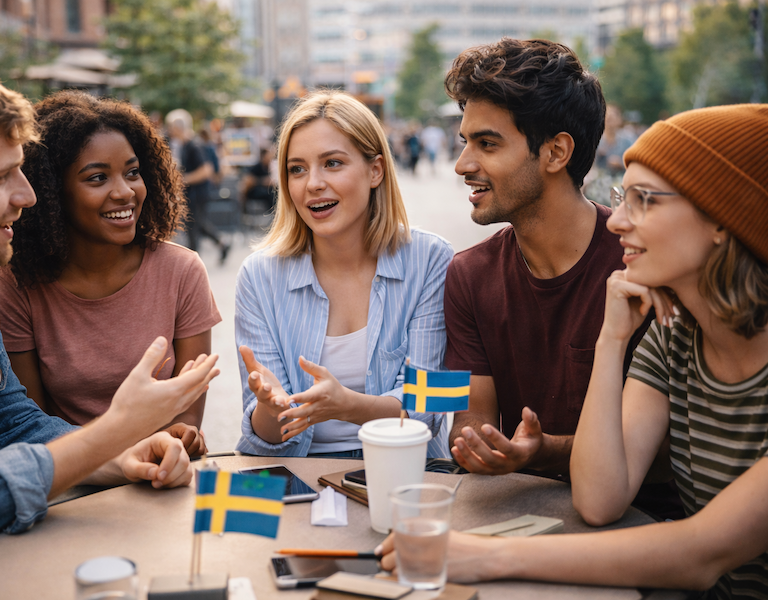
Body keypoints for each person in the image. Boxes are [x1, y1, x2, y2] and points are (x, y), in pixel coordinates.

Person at [0, 50, 219, 600]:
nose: (28, 196)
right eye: (4, 177)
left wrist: (118, 456)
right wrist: (111, 432)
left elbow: (11, 423)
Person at [381, 103, 768, 600]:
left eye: (644, 200)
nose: (618, 222)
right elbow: (599, 499)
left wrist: (482, 556)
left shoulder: (428, 262)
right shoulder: (673, 337)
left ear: (723, 218)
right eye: (621, 199)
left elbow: (698, 555)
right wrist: (611, 340)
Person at [442, 40, 664, 489]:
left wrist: (544, 451)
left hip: (642, 522)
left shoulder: (644, 266)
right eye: (466, 142)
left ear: (556, 152)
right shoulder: (469, 276)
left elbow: (662, 444)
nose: (462, 164)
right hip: (515, 515)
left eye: (487, 143)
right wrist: (480, 447)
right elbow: (471, 426)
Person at [0, 91, 221, 457]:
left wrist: (182, 435)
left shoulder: (182, 270)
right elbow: (30, 422)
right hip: (71, 480)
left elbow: (188, 413)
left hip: (163, 472)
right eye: (98, 178)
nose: (124, 191)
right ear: (52, 192)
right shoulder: (16, 286)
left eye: (132, 173)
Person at [235, 90, 453, 458]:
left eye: (332, 163)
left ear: (375, 170)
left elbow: (428, 411)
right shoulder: (259, 276)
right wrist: (270, 409)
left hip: (402, 472)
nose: (312, 183)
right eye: (297, 169)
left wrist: (347, 405)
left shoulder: (431, 259)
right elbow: (265, 438)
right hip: (294, 474)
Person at [167, 109, 230, 263]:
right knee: (197, 224)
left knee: (193, 228)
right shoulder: (181, 145)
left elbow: (206, 170)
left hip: (198, 194)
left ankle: (193, 266)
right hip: (191, 194)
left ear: (178, 127)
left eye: (171, 127)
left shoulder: (194, 145)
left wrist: (183, 179)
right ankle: (222, 244)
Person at [241, 146, 278, 214]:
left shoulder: (269, 167)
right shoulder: (257, 167)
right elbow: (249, 181)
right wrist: (262, 181)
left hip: (265, 190)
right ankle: (272, 213)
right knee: (270, 194)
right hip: (254, 191)